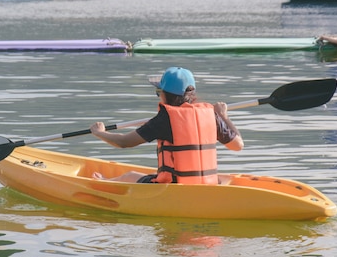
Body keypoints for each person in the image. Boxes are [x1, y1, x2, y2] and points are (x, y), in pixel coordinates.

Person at [90, 67, 244, 184]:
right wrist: (224, 116)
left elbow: (123, 142)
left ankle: (106, 183)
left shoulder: (165, 119)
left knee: (129, 175)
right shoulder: (211, 114)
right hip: (207, 184)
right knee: (223, 177)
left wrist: (99, 132)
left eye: (158, 91)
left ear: (165, 95)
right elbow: (238, 145)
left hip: (174, 187)